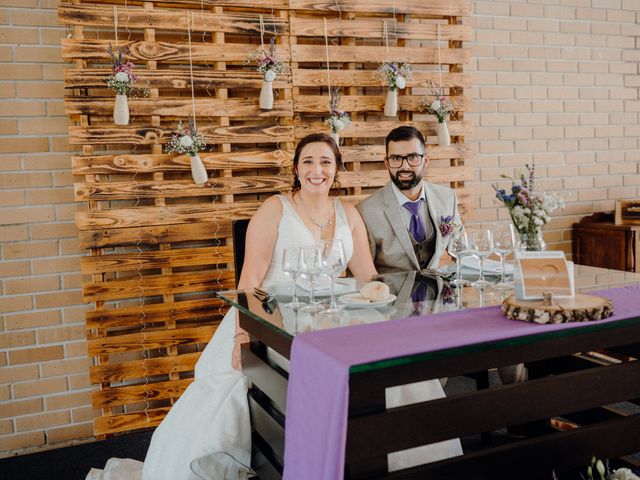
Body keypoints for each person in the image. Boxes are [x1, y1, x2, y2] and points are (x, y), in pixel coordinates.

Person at [141, 133, 377, 480]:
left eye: (326, 162)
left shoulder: (349, 213)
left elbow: (366, 275)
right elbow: (249, 282)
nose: (317, 170)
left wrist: (380, 300)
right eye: (308, 162)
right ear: (296, 169)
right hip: (269, 320)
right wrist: (242, 338)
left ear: (336, 169)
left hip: (329, 322)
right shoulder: (274, 209)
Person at [357, 125, 461, 274]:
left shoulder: (447, 198)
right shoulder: (365, 211)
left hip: (437, 293)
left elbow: (461, 251)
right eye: (396, 158)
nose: (404, 166)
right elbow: (363, 276)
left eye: (412, 157)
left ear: (425, 160)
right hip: (391, 296)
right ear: (386, 163)